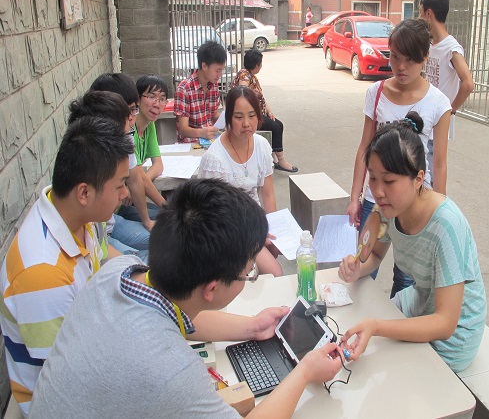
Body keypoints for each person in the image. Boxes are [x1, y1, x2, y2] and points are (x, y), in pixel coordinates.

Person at [29, 179, 343, 419]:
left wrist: (251, 326)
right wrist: (304, 372)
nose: (250, 276)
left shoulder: (118, 272)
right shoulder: (174, 374)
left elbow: (185, 317)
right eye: (248, 273)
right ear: (211, 289)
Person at [0, 116, 132, 416]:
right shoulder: (43, 275)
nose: (125, 193)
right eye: (120, 185)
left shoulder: (74, 216)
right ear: (84, 193)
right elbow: (68, 386)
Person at [338, 118, 486, 373]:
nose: (378, 191)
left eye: (389, 181)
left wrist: (377, 327)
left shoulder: (446, 225)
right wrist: (357, 269)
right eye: (373, 178)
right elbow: (375, 256)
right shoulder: (388, 209)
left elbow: (445, 323)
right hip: (421, 302)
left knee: (377, 367)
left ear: (418, 179)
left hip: (454, 335)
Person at [346, 18, 451, 289]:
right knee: (363, 264)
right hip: (376, 199)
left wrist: (439, 211)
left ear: (425, 57)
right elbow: (364, 147)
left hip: (414, 204)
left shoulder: (438, 103)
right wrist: (355, 197)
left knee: (406, 279)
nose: (401, 66)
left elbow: (439, 163)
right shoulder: (376, 92)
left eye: (410, 59)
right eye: (394, 57)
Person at [198, 86, 283, 277]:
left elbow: (268, 194)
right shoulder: (215, 160)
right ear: (228, 118)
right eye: (238, 117)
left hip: (255, 222)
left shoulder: (261, 145)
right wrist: (257, 236)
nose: (246, 123)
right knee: (275, 273)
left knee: (273, 261)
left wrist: (273, 229)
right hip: (229, 231)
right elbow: (215, 217)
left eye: (252, 116)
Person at [68, 90, 149, 263]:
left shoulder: (86, 216)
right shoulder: (48, 267)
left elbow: (101, 250)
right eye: (119, 185)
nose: (125, 193)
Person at [89, 73, 157, 232]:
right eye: (129, 110)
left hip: (111, 221)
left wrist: (148, 220)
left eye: (134, 109)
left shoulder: (127, 135)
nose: (132, 117)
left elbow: (136, 178)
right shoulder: (93, 148)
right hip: (102, 230)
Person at [420, 0, 475, 186]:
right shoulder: (430, 44)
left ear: (429, 13)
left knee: (432, 177)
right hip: (425, 118)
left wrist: (450, 110)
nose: (420, 18)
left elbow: (468, 83)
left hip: (437, 124)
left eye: (421, 13)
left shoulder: (451, 48)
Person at [231, 49, 298, 172]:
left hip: (260, 113)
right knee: (276, 127)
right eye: (260, 64)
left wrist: (269, 111)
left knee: (278, 124)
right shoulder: (245, 76)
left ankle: (274, 157)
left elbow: (261, 97)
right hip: (251, 116)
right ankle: (281, 160)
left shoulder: (251, 76)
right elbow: (242, 91)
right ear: (257, 65)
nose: (261, 66)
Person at [116, 74, 170, 223]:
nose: (157, 104)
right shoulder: (129, 130)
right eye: (151, 97)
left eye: (162, 99)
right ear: (138, 100)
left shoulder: (149, 125)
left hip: (133, 196)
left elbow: (158, 166)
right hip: (120, 204)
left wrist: (141, 179)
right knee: (168, 220)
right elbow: (139, 177)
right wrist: (169, 209)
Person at [174, 40, 224, 143]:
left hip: (210, 140)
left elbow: (214, 115)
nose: (219, 75)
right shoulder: (184, 89)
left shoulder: (214, 86)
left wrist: (227, 121)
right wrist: (202, 132)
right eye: (217, 71)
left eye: (221, 71)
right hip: (191, 143)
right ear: (204, 66)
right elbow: (183, 130)